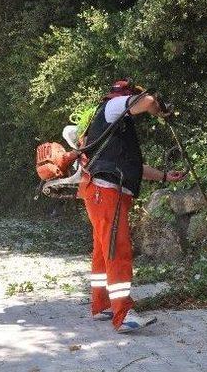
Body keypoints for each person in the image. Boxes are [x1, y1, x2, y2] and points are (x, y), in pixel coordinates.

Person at [79, 79, 187, 333]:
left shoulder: (117, 125)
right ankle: (123, 314)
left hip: (101, 191)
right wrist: (157, 107)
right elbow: (146, 102)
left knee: (104, 251)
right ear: (126, 95)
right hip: (106, 192)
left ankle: (102, 305)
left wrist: (162, 176)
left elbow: (133, 167)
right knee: (118, 250)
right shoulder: (112, 106)